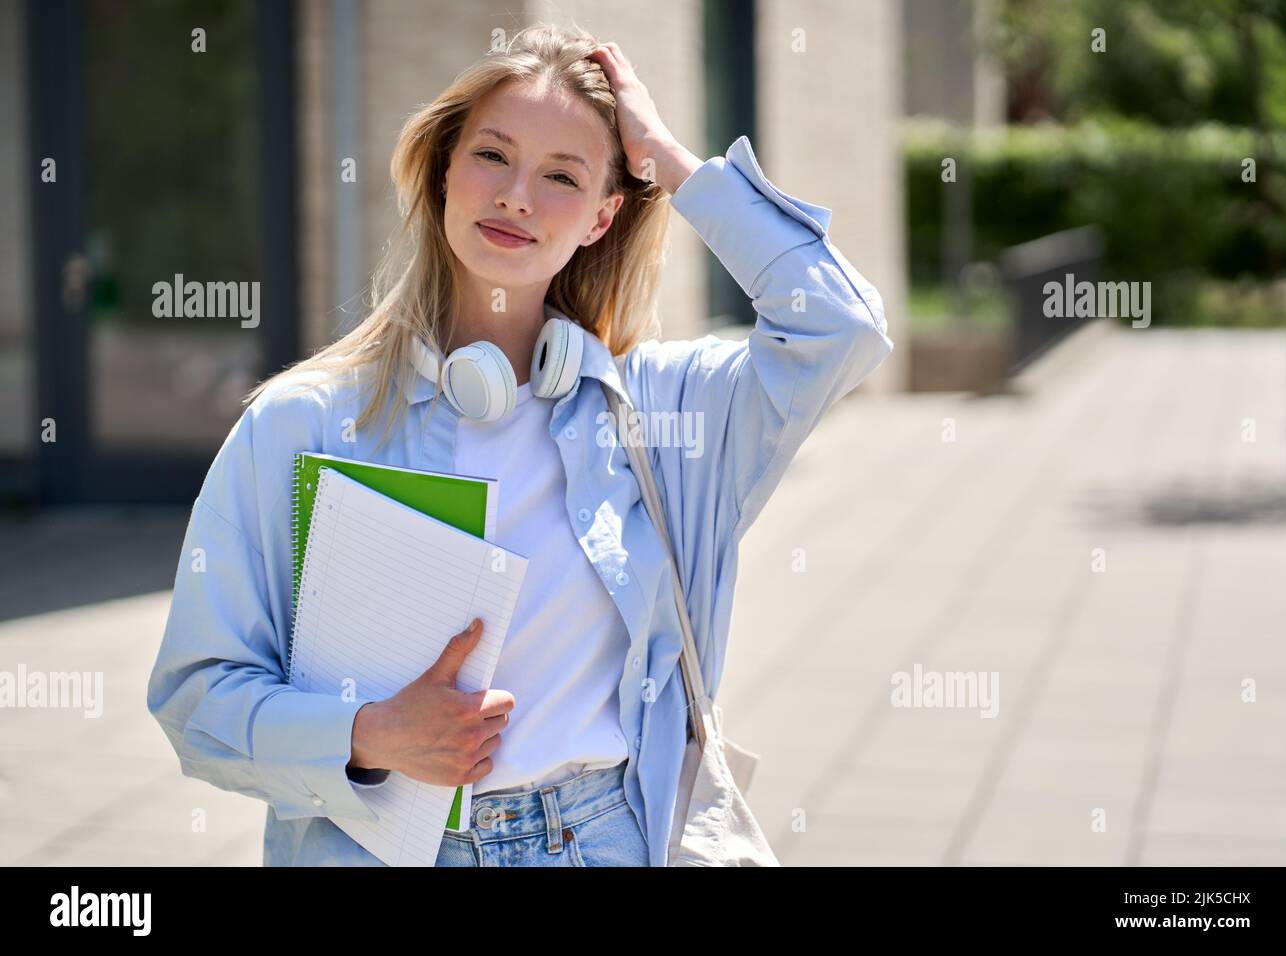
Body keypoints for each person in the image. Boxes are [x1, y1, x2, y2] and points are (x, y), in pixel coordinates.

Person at [146, 22, 893, 867]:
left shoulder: (662, 412)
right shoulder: (301, 421)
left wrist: (676, 165)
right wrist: (370, 734)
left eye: (564, 177)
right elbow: (197, 695)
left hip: (606, 841)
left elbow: (841, 326)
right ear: (442, 175)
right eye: (492, 156)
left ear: (604, 216)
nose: (517, 197)